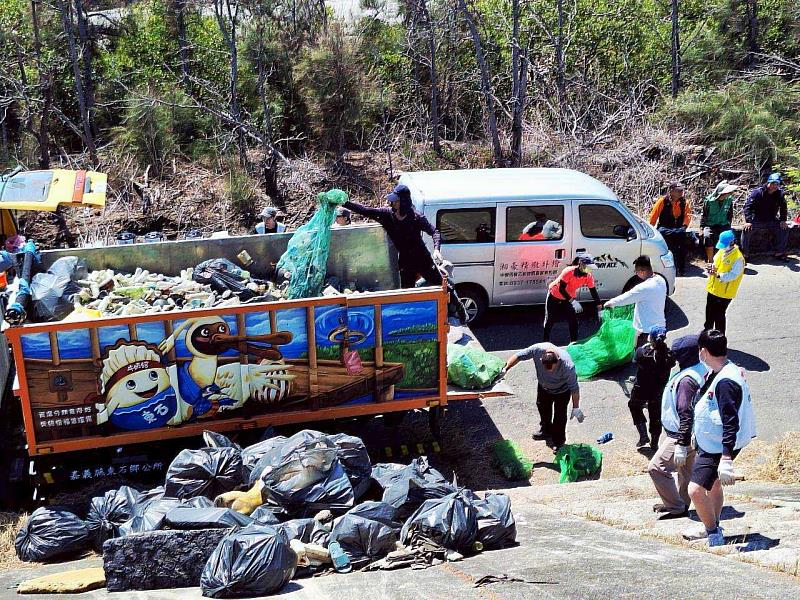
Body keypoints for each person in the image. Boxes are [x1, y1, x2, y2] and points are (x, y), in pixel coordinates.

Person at [682, 330, 756, 546]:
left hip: (717, 445)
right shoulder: (724, 369)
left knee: (695, 490)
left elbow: (730, 420)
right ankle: (713, 524)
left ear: (703, 352)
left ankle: (713, 531)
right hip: (712, 440)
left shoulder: (726, 381)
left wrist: (726, 458)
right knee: (713, 485)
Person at [648, 334, 707, 519]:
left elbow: (685, 412)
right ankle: (681, 503)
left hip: (681, 434)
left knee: (656, 468)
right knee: (685, 469)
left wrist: (681, 442)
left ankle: (676, 507)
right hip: (691, 433)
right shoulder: (697, 370)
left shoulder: (687, 380)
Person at [343, 184, 442, 288]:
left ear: (404, 202)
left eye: (396, 201)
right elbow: (365, 210)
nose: (393, 203)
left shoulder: (416, 217)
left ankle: (456, 304)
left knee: (442, 287)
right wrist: (345, 203)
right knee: (407, 293)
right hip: (405, 261)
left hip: (422, 258)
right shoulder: (386, 215)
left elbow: (434, 232)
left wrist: (436, 249)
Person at [503, 343, 583, 453]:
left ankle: (558, 441)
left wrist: (576, 407)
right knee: (542, 408)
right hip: (544, 388)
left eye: (552, 369)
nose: (549, 372)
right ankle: (546, 430)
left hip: (562, 391)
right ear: (541, 359)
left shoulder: (567, 365)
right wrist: (506, 368)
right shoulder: (537, 350)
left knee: (560, 415)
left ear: (558, 360)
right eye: (546, 368)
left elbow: (574, 388)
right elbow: (519, 356)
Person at [603, 256, 667, 350]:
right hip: (660, 327)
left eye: (636, 271)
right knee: (658, 354)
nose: (636, 274)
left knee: (643, 359)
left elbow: (625, 298)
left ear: (642, 271)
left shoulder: (644, 288)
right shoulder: (661, 279)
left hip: (646, 332)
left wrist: (609, 303)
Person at [629, 325, 676, 449]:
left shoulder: (642, 352)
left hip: (641, 388)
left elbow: (635, 361)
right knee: (655, 416)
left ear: (650, 338)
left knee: (634, 406)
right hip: (658, 391)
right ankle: (654, 443)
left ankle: (643, 435)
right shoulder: (669, 356)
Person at [543, 254, 601, 344]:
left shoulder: (588, 276)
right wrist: (573, 301)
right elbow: (561, 289)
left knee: (573, 320)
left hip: (568, 298)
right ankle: (545, 343)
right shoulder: (568, 272)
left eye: (591, 267)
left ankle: (573, 343)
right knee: (550, 320)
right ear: (580, 264)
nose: (589, 270)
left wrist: (599, 308)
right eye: (588, 267)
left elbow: (593, 291)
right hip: (554, 295)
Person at [704, 230, 745, 334]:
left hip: (724, 293)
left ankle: (719, 338)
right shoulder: (722, 251)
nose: (722, 247)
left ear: (732, 243)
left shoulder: (738, 258)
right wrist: (711, 267)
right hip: (713, 289)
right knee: (709, 314)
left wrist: (717, 275)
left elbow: (733, 275)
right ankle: (706, 334)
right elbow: (715, 262)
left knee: (719, 316)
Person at [742, 173, 789, 261]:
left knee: (784, 229)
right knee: (746, 230)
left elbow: (783, 208)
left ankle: (779, 252)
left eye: (777, 184)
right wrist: (748, 221)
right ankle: (745, 254)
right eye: (773, 183)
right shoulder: (758, 192)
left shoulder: (780, 194)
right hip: (757, 219)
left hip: (771, 220)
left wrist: (783, 220)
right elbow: (747, 207)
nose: (774, 186)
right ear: (768, 183)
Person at [649, 182, 691, 275]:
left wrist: (684, 226)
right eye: (678, 190)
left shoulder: (684, 202)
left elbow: (687, 216)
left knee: (682, 245)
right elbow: (654, 216)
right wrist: (651, 229)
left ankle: (681, 269)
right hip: (665, 227)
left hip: (678, 228)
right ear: (671, 191)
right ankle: (667, 268)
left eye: (682, 190)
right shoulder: (662, 201)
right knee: (666, 245)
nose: (681, 192)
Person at [700, 181, 738, 263]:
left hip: (723, 224)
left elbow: (730, 214)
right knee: (707, 237)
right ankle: (710, 261)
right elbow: (704, 214)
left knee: (730, 237)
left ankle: (726, 259)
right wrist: (701, 228)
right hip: (710, 225)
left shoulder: (729, 200)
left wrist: (729, 225)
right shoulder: (709, 201)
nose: (730, 193)